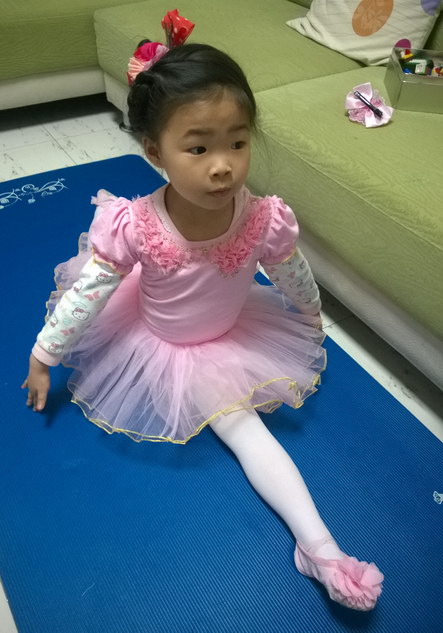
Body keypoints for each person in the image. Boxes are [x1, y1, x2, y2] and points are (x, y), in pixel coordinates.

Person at [22, 33, 384, 611]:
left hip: (233, 331)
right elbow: (88, 294)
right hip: (165, 343)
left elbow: (290, 271)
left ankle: (320, 547)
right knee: (244, 430)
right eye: (198, 149)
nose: (223, 167)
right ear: (154, 152)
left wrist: (310, 312)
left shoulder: (263, 217)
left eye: (237, 143)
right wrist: (44, 355)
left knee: (247, 432)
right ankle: (318, 546)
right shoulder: (135, 226)